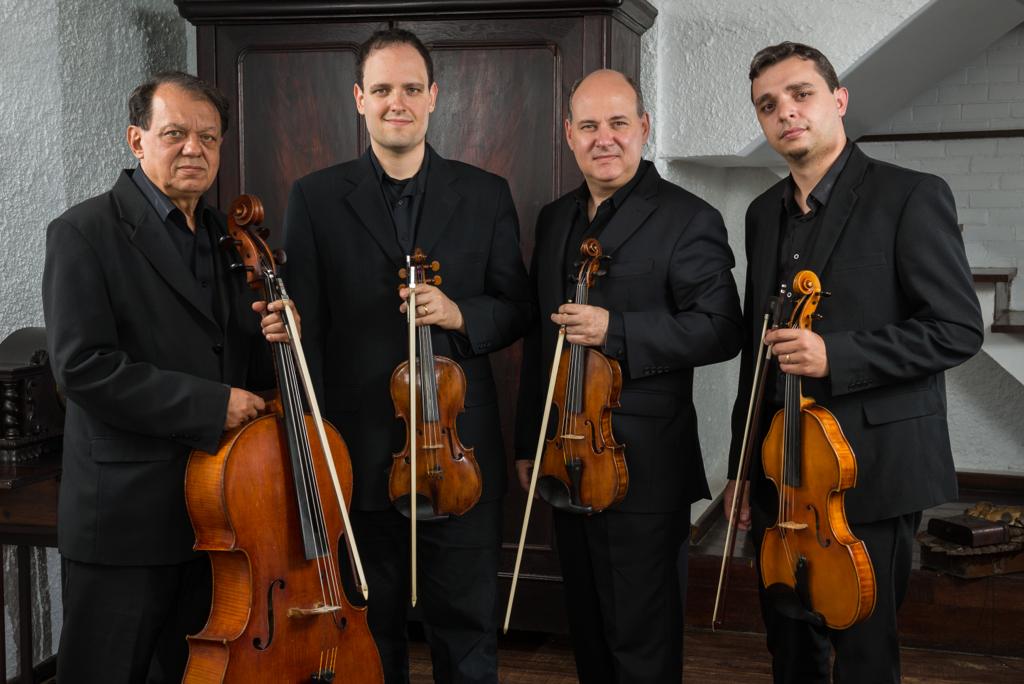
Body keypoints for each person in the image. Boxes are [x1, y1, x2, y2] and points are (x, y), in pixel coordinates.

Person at [724, 42, 984, 683]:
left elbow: (956, 330)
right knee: (788, 649)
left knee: (865, 657)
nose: (786, 112)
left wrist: (834, 354)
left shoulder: (910, 196)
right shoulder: (762, 215)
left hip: (872, 468)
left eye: (801, 94)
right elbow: (760, 355)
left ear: (839, 100)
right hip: (782, 473)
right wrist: (739, 468)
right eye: (768, 105)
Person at [281, 28, 533, 684]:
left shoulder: (485, 193)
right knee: (370, 628)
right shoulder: (313, 197)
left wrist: (458, 314)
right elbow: (302, 334)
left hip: (458, 461)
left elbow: (517, 308)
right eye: (384, 88)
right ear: (360, 99)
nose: (399, 101)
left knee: (467, 627)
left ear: (433, 98)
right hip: (360, 454)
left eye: (412, 88)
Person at [42, 71, 295, 683]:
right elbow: (81, 368)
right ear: (136, 139)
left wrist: (281, 341)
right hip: (126, 521)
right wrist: (210, 406)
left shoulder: (228, 240)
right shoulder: (84, 232)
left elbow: (239, 363)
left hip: (218, 517)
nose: (194, 149)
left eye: (208, 138)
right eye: (175, 133)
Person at [514, 68, 743, 683]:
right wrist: (524, 445)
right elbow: (544, 339)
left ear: (643, 128)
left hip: (645, 466)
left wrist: (616, 330)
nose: (603, 138)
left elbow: (722, 328)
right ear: (569, 134)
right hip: (565, 453)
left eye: (618, 123)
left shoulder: (687, 217)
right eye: (588, 125)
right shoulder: (554, 218)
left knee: (641, 637)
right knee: (587, 627)